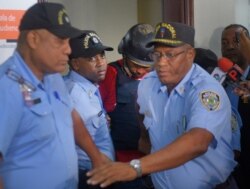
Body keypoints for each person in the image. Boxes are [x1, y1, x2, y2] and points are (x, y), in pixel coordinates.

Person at [87, 21, 237, 189]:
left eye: (170, 55)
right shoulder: (148, 84)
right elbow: (140, 109)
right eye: (157, 55)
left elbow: (198, 142)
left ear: (190, 54)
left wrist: (135, 167)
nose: (161, 63)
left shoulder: (206, 91)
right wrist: (144, 137)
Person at [0, 3, 107, 189]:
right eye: (60, 41)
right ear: (33, 39)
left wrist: (96, 157)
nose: (68, 49)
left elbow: (71, 116)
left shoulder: (53, 76)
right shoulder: (6, 86)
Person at [99, 23, 155, 189]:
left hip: (155, 161)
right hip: (121, 162)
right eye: (134, 64)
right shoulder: (110, 74)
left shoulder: (161, 76)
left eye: (145, 67)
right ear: (124, 54)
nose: (139, 70)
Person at [64, 30, 115, 189]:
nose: (101, 63)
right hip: (88, 174)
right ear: (75, 64)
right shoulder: (76, 95)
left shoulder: (87, 86)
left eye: (102, 55)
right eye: (91, 58)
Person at [221, 24, 250, 189]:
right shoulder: (219, 79)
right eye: (224, 43)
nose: (230, 47)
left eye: (236, 41)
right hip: (228, 167)